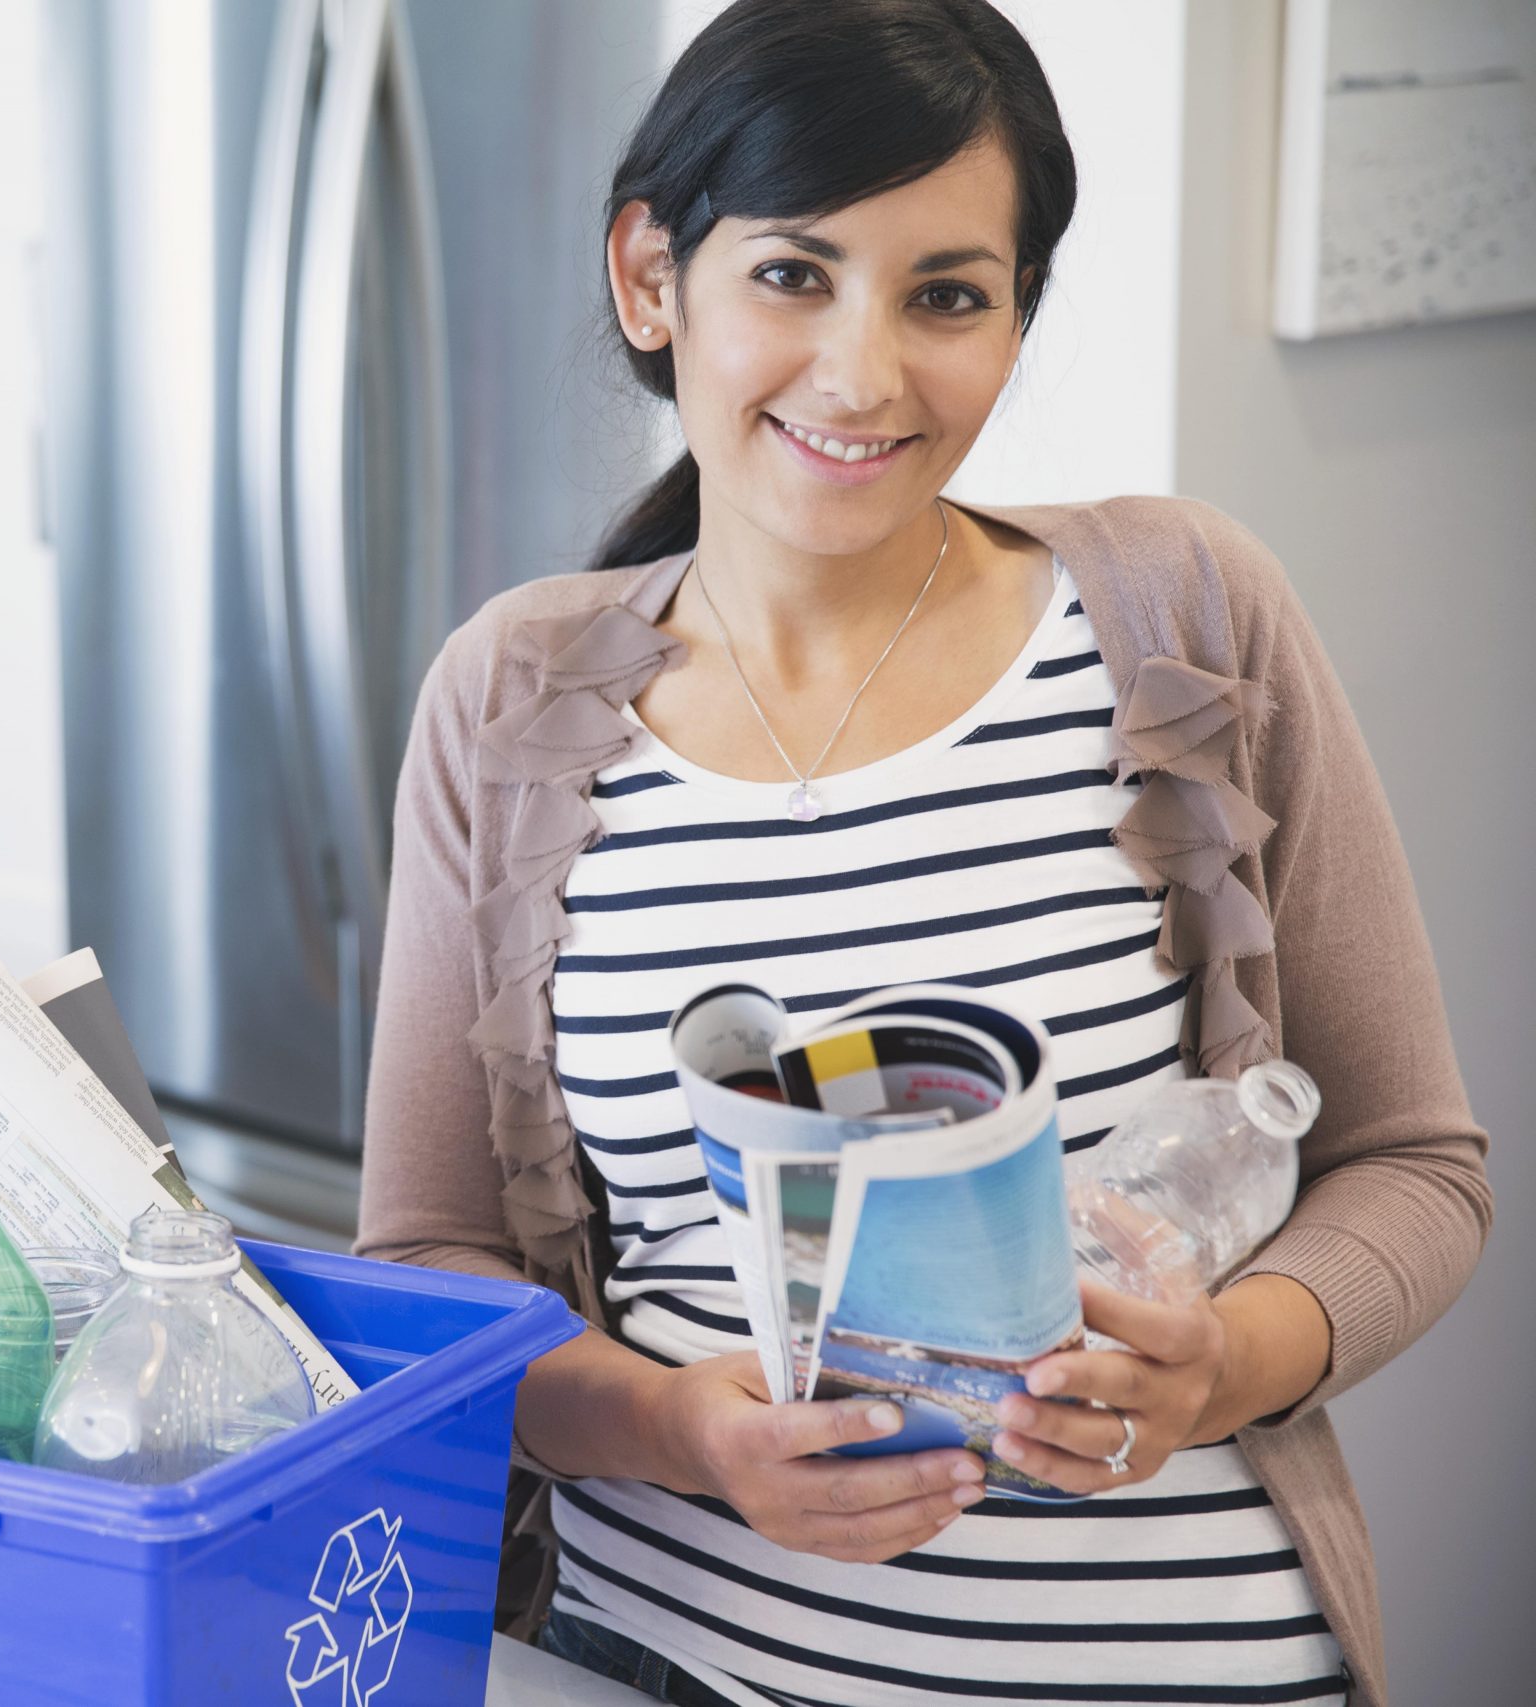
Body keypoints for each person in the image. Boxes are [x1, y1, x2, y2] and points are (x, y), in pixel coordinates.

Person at [352, 3, 1491, 1704]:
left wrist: (1227, 1364)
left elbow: (1417, 1168)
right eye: (795, 275)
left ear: (1017, 318)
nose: (865, 372)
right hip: (677, 1668)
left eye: (947, 294)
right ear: (653, 278)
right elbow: (430, 1263)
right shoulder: (512, 697)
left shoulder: (1185, 617)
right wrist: (670, 1425)